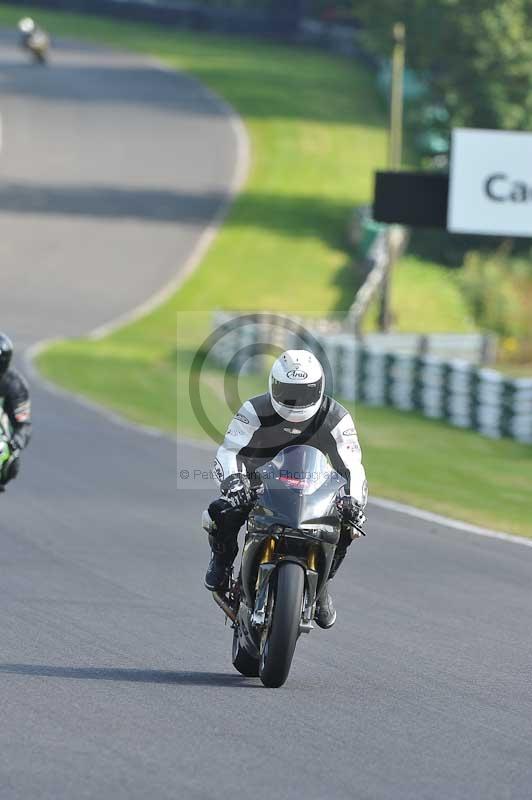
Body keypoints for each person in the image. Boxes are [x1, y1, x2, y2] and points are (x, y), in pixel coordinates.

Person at [204, 349, 367, 629]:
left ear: (319, 389)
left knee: (349, 526)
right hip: (260, 483)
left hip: (313, 488)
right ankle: (221, 563)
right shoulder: (254, 410)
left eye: (304, 394)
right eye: (288, 393)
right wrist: (233, 481)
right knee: (220, 511)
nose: (295, 402)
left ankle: (323, 586)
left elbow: (351, 464)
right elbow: (230, 451)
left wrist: (352, 499)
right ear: (273, 386)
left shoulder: (336, 417)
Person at [0, 334, 31, 490]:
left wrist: (14, 443)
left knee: (12, 463)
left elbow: (23, 425)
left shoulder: (14, 385)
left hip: (1, 437)